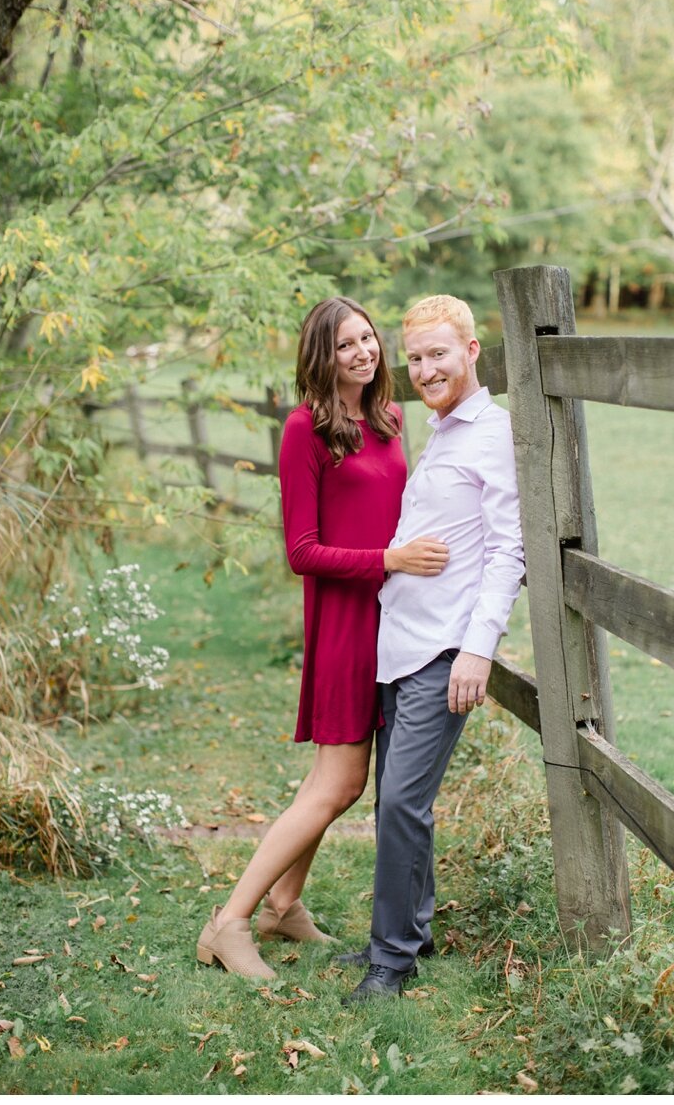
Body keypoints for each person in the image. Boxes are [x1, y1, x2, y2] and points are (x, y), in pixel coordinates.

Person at [196, 296, 450, 979]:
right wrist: (389, 560)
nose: (363, 352)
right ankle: (230, 920)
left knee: (335, 779)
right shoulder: (305, 429)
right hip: (345, 625)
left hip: (395, 624)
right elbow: (302, 551)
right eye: (345, 345)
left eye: (367, 338)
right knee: (338, 784)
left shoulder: (392, 419)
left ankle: (284, 905)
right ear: (321, 355)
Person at [337, 294, 525, 1002]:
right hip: (399, 638)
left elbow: (509, 550)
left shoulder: (493, 435)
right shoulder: (438, 430)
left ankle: (391, 960)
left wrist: (479, 648)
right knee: (396, 799)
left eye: (439, 353)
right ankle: (408, 928)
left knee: (399, 805)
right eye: (414, 357)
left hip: (445, 648)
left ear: (473, 351)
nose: (425, 368)